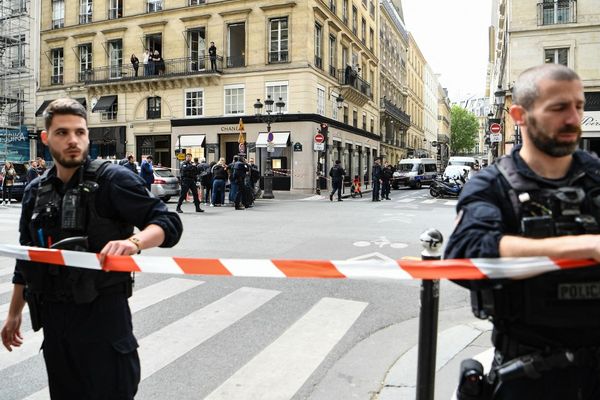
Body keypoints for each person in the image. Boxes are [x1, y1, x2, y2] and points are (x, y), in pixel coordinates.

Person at [0, 98, 182, 400]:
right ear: (46, 138)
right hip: (56, 324)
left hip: (104, 322)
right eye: (62, 133)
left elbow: (167, 221)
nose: (73, 140)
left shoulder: (113, 180)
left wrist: (133, 242)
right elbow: (27, 254)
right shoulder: (35, 191)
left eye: (79, 132)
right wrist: (14, 313)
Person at [446, 64, 600, 399]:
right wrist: (585, 246)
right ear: (519, 114)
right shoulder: (492, 185)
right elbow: (466, 253)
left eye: (579, 106)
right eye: (559, 108)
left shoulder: (596, 176)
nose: (574, 119)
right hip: (529, 374)